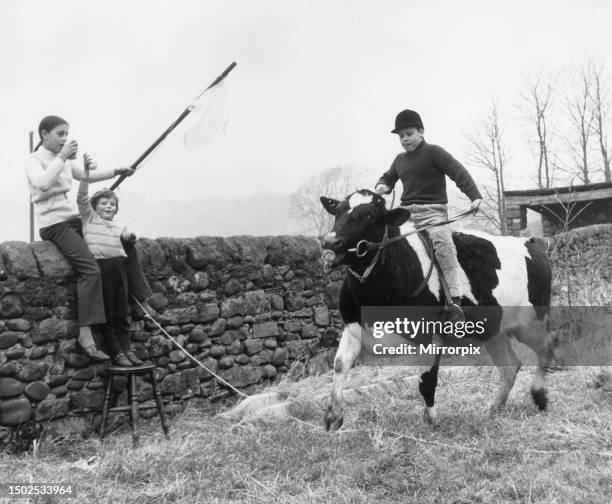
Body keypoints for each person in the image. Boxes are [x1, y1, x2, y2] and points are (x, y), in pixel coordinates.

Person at [24, 115, 153, 360]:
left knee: (123, 243)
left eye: (66, 134)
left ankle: (140, 299)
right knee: (91, 270)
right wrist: (63, 157)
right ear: (44, 134)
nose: (64, 138)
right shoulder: (34, 160)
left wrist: (117, 170)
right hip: (55, 225)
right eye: (60, 134)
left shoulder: (60, 159)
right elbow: (41, 183)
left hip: (75, 220)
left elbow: (86, 176)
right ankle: (86, 335)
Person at [375, 109, 482, 320]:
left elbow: (458, 172)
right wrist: (382, 185)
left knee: (443, 243)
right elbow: (388, 178)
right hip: (406, 213)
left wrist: (475, 196)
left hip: (432, 212)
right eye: (401, 136)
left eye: (409, 134)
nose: (405, 139)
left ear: (421, 131)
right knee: (387, 241)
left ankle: (455, 301)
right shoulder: (399, 160)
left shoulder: (434, 153)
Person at [77, 161, 144, 366]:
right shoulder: (89, 219)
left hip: (118, 269)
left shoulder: (117, 225)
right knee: (109, 314)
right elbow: (82, 198)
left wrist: (130, 235)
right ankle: (117, 352)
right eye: (104, 203)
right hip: (102, 268)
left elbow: (125, 234)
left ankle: (127, 349)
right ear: (94, 208)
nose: (108, 206)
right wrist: (86, 174)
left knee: (123, 313)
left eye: (112, 204)